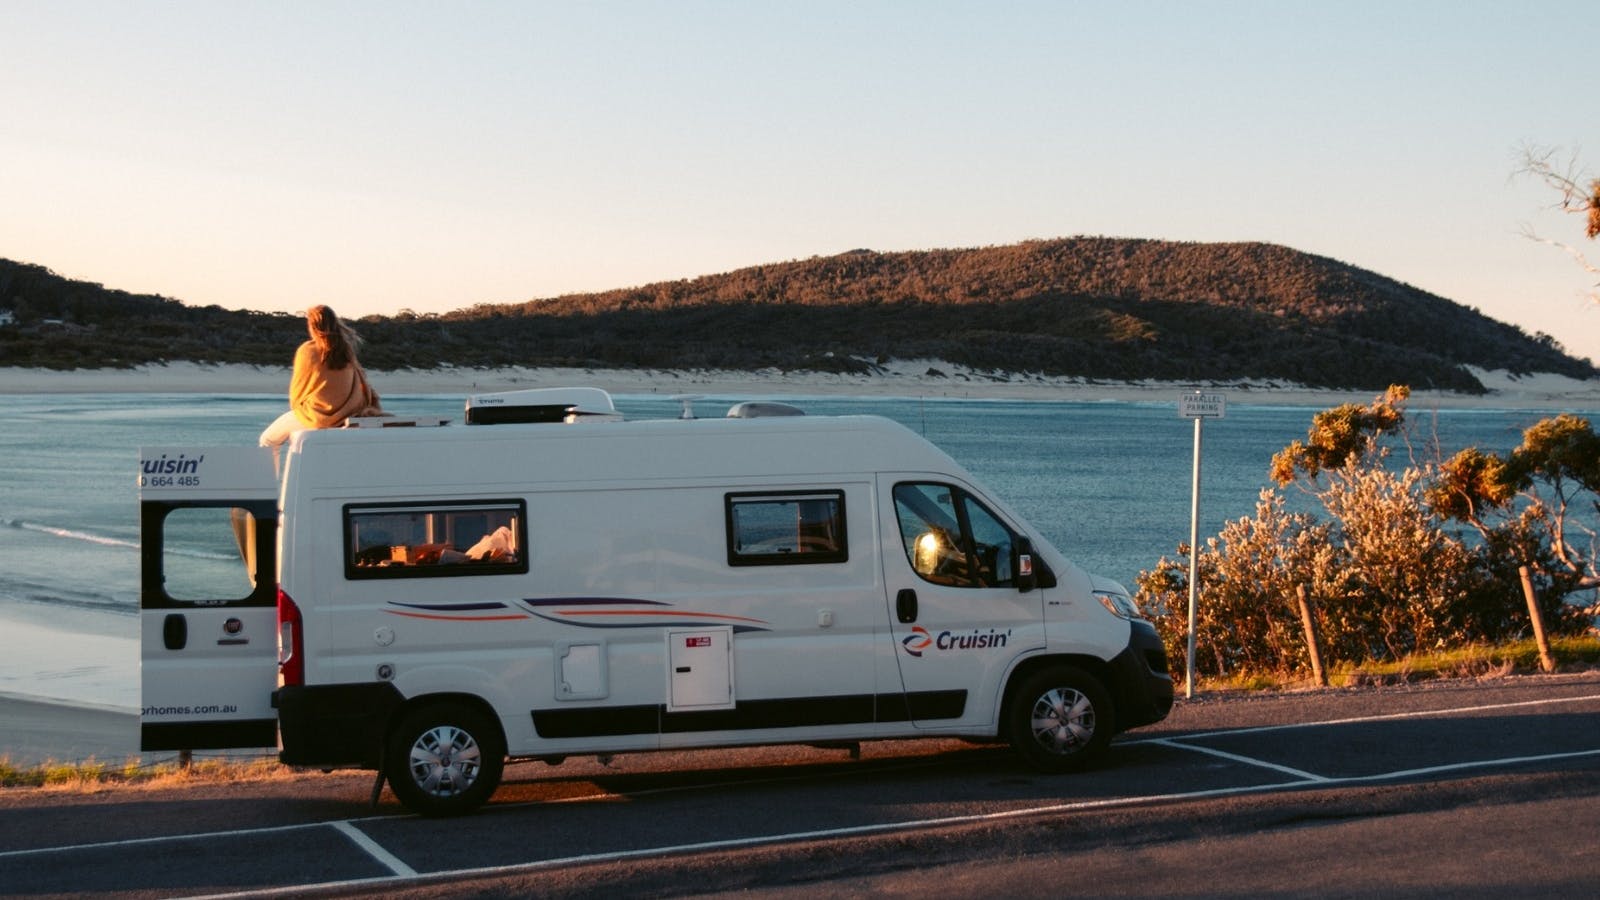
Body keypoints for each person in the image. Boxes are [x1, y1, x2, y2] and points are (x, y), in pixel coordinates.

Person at [259, 305, 387, 447]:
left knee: (267, 440)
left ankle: (277, 470)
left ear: (312, 326)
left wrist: (301, 409)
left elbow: (298, 392)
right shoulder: (346, 350)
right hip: (348, 413)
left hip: (315, 415)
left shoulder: (307, 350)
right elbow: (363, 383)